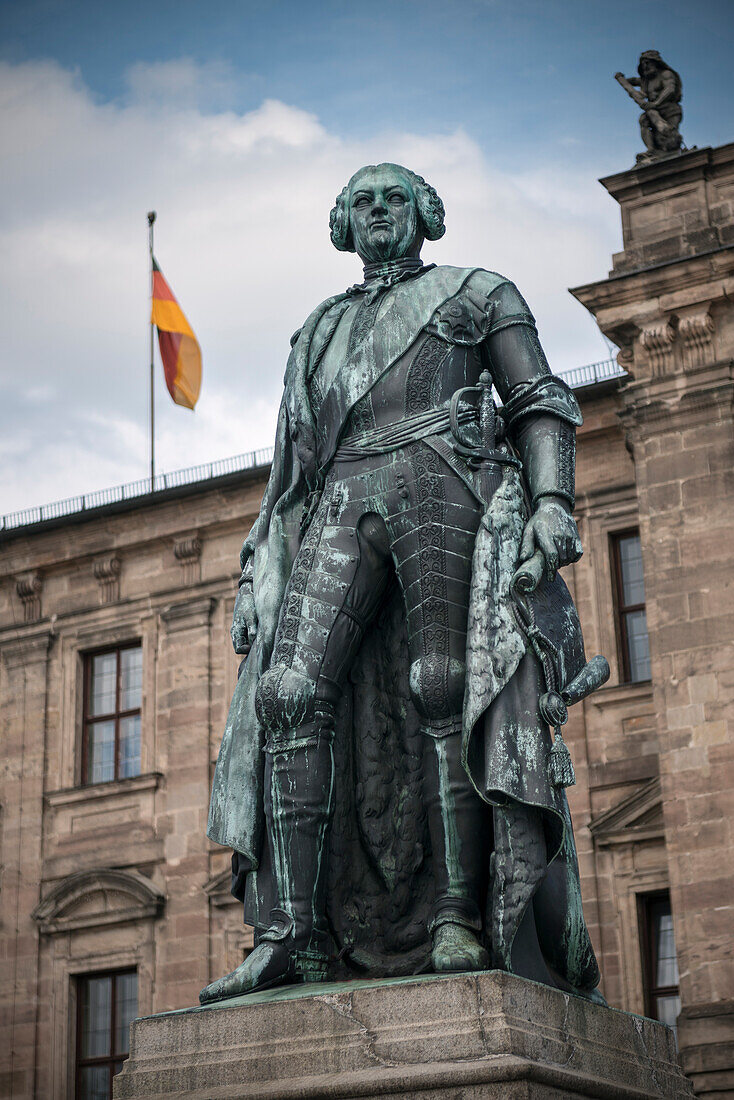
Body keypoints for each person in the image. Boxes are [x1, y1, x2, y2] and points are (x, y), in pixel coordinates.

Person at [201, 162, 602, 1004]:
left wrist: (553, 500)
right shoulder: (316, 331)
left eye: (395, 198)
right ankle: (291, 934)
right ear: (342, 223)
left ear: (427, 214)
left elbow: (541, 399)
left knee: (443, 683)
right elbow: (287, 475)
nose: (379, 211)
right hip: (339, 493)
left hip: (441, 471)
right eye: (362, 201)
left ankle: (457, 911)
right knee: (286, 693)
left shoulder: (476, 291)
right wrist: (255, 567)